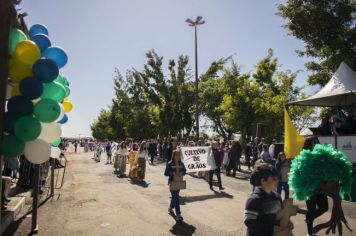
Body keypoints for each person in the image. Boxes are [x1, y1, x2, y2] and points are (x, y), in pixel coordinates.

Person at [245, 162, 284, 236]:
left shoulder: (277, 197)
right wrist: (271, 229)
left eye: (277, 178)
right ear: (263, 181)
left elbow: (279, 216)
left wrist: (287, 223)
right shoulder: (254, 200)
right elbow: (250, 222)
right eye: (274, 179)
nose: (277, 181)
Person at [302, 136, 328, 236]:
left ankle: (309, 218)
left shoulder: (322, 155)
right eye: (313, 142)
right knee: (311, 210)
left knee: (324, 207)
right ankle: (310, 232)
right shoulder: (305, 156)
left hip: (321, 186)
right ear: (308, 144)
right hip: (309, 187)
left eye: (317, 142)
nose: (315, 144)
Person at [164, 150, 186, 221]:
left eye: (179, 155)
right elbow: (165, 173)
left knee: (174, 197)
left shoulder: (181, 163)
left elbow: (185, 170)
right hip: (172, 183)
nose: (178, 156)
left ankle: (170, 208)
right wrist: (172, 173)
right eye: (176, 155)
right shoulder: (170, 163)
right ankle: (178, 214)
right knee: (176, 197)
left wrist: (182, 172)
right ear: (173, 155)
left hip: (179, 182)